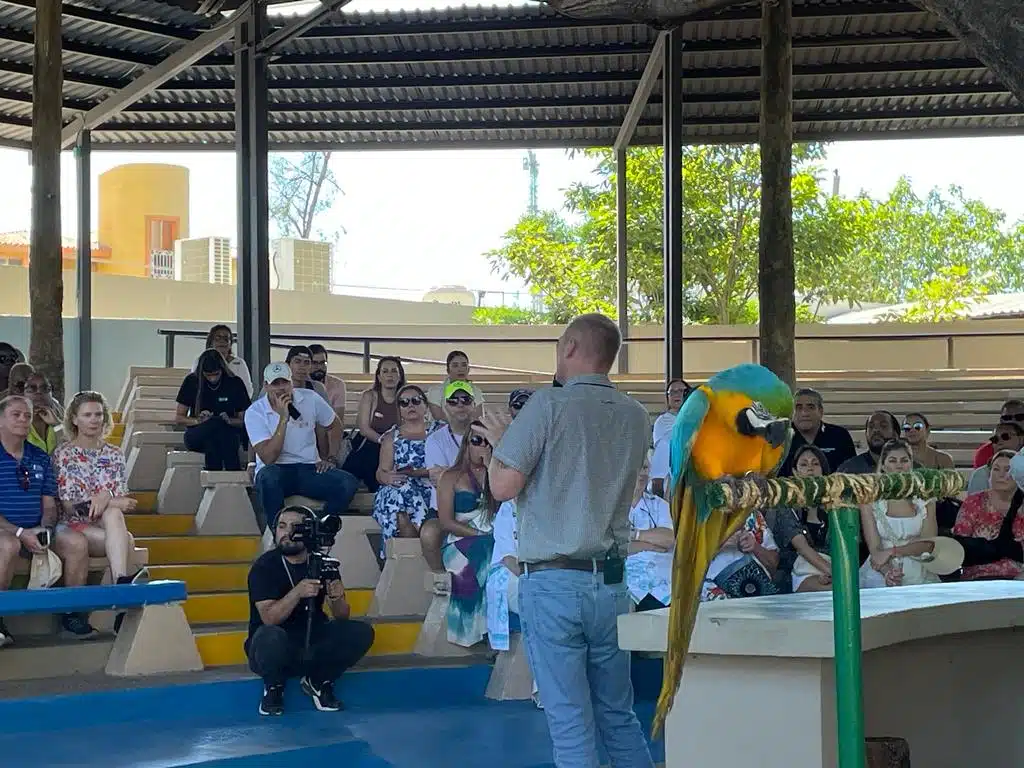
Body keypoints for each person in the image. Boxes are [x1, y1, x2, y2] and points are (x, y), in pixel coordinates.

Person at [474, 312, 655, 768]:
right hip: (612, 583)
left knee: (570, 720)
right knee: (618, 713)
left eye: (559, 344)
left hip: (554, 581)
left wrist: (503, 443)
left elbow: (502, 488)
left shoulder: (547, 406)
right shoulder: (636, 415)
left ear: (572, 347)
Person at [246, 505, 375, 716]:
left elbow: (342, 616)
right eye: (281, 526)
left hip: (312, 642)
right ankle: (274, 687)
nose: (287, 533)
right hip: (274, 648)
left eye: (296, 527)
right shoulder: (264, 566)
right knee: (270, 636)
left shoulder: (322, 563)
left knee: (361, 632)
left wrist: (337, 597)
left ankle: (318, 681)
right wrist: (297, 592)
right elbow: (269, 618)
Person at [0, 395, 94, 645]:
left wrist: (46, 529)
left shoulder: (40, 456)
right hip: (5, 530)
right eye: (16, 414)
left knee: (76, 542)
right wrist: (20, 533)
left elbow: (50, 505)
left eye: (27, 416)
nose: (23, 420)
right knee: (7, 545)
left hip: (37, 527)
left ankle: (72, 613)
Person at [245, 363, 359, 530]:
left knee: (347, 482)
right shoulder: (255, 412)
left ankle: (317, 529)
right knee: (267, 478)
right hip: (276, 469)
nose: (281, 388)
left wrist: (331, 458)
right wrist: (284, 418)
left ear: (291, 383)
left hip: (309, 468)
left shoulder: (310, 398)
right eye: (275, 384)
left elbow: (335, 425)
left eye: (284, 382)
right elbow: (268, 457)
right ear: (266, 386)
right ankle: (278, 532)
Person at [437, 423, 496, 647]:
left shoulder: (499, 476)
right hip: (459, 541)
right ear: (466, 445)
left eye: (487, 441)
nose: (482, 446)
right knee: (484, 550)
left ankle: (493, 627)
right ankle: (475, 629)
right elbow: (446, 521)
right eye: (476, 441)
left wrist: (492, 467)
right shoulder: (450, 477)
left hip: (493, 537)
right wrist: (478, 534)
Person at [859, 439, 938, 589]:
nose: (899, 465)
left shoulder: (926, 499)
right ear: (883, 465)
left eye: (904, 460)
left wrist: (893, 551)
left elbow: (928, 543)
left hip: (919, 568)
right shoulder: (869, 501)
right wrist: (888, 572)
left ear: (911, 464)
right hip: (881, 568)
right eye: (893, 461)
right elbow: (875, 550)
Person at [372, 385, 439, 557]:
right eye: (404, 402)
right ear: (399, 409)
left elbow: (446, 466)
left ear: (425, 405)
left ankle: (399, 553)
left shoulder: (440, 431)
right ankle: (420, 533)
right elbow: (381, 472)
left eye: (416, 401)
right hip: (400, 485)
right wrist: (387, 478)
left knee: (402, 496)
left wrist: (416, 473)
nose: (410, 405)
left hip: (433, 484)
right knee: (399, 490)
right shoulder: (391, 436)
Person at [420, 380, 478, 571]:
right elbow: (439, 479)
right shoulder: (435, 439)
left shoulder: (486, 435)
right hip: (444, 507)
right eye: (453, 401)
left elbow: (446, 476)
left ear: (474, 404)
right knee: (429, 534)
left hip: (481, 505)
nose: (460, 404)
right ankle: (440, 581)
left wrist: (451, 474)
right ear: (445, 406)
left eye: (465, 399)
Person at [770, 444, 834, 593]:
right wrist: (838, 575)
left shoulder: (834, 503)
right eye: (804, 464)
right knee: (839, 589)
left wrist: (832, 573)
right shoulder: (786, 504)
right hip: (797, 570)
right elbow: (802, 547)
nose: (810, 468)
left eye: (815, 464)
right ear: (795, 472)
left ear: (823, 470)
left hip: (831, 568)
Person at [954, 450, 1024, 581]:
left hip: (1018, 580)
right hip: (979, 578)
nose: (1001, 475)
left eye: (1008, 470)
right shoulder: (974, 502)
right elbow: (960, 547)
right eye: (996, 469)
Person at [176, 349, 251, 471]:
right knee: (216, 426)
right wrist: (199, 421)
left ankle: (213, 474)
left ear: (222, 370)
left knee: (214, 438)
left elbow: (244, 420)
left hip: (226, 433)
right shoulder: (191, 382)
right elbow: (179, 417)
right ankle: (234, 473)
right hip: (200, 433)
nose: (212, 379)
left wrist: (229, 420)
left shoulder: (234, 383)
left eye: (215, 374)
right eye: (208, 375)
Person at [342, 356, 405, 492]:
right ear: (379, 377)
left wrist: (390, 444)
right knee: (370, 456)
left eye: (394, 371)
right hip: (370, 443)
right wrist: (383, 441)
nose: (390, 375)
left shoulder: (405, 399)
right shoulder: (370, 396)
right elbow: (364, 429)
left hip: (394, 446)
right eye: (385, 371)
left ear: (400, 376)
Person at [625, 456, 674, 611]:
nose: (642, 473)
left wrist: (634, 535)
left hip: (664, 582)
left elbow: (670, 539)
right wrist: (651, 543)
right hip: (629, 583)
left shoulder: (659, 505)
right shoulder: (613, 507)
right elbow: (615, 547)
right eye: (638, 467)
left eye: (645, 468)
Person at [779, 388, 856, 476]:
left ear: (821, 411)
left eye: (811, 407)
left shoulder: (840, 435)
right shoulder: (781, 437)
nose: (804, 413)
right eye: (799, 408)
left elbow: (852, 472)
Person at [194, 324, 253, 397]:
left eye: (226, 338)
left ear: (230, 343)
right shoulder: (201, 360)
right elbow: (195, 387)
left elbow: (248, 390)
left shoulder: (239, 363)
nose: (222, 341)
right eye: (218, 338)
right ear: (211, 342)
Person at [427, 350, 485, 421]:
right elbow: (439, 418)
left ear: (468, 369)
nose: (460, 369)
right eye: (455, 365)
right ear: (448, 370)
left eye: (464, 365)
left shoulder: (476, 391)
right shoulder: (435, 391)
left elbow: (478, 418)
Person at [838, 410, 901, 475]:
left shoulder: (907, 466)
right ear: (866, 434)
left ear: (895, 434)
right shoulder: (848, 470)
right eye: (871, 426)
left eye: (883, 426)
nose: (876, 430)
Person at [23, 372, 63, 455]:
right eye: (31, 388)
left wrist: (57, 425)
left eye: (44, 388)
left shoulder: (61, 421)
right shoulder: (14, 425)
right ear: (22, 394)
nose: (39, 392)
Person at [308, 344, 347, 426]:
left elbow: (338, 419)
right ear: (307, 364)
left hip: (328, 429)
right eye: (314, 363)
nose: (319, 367)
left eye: (323, 363)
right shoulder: (299, 383)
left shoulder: (338, 385)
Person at [651, 379, 691, 447]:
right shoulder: (663, 421)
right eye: (672, 392)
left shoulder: (696, 417)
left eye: (681, 391)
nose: (676, 394)